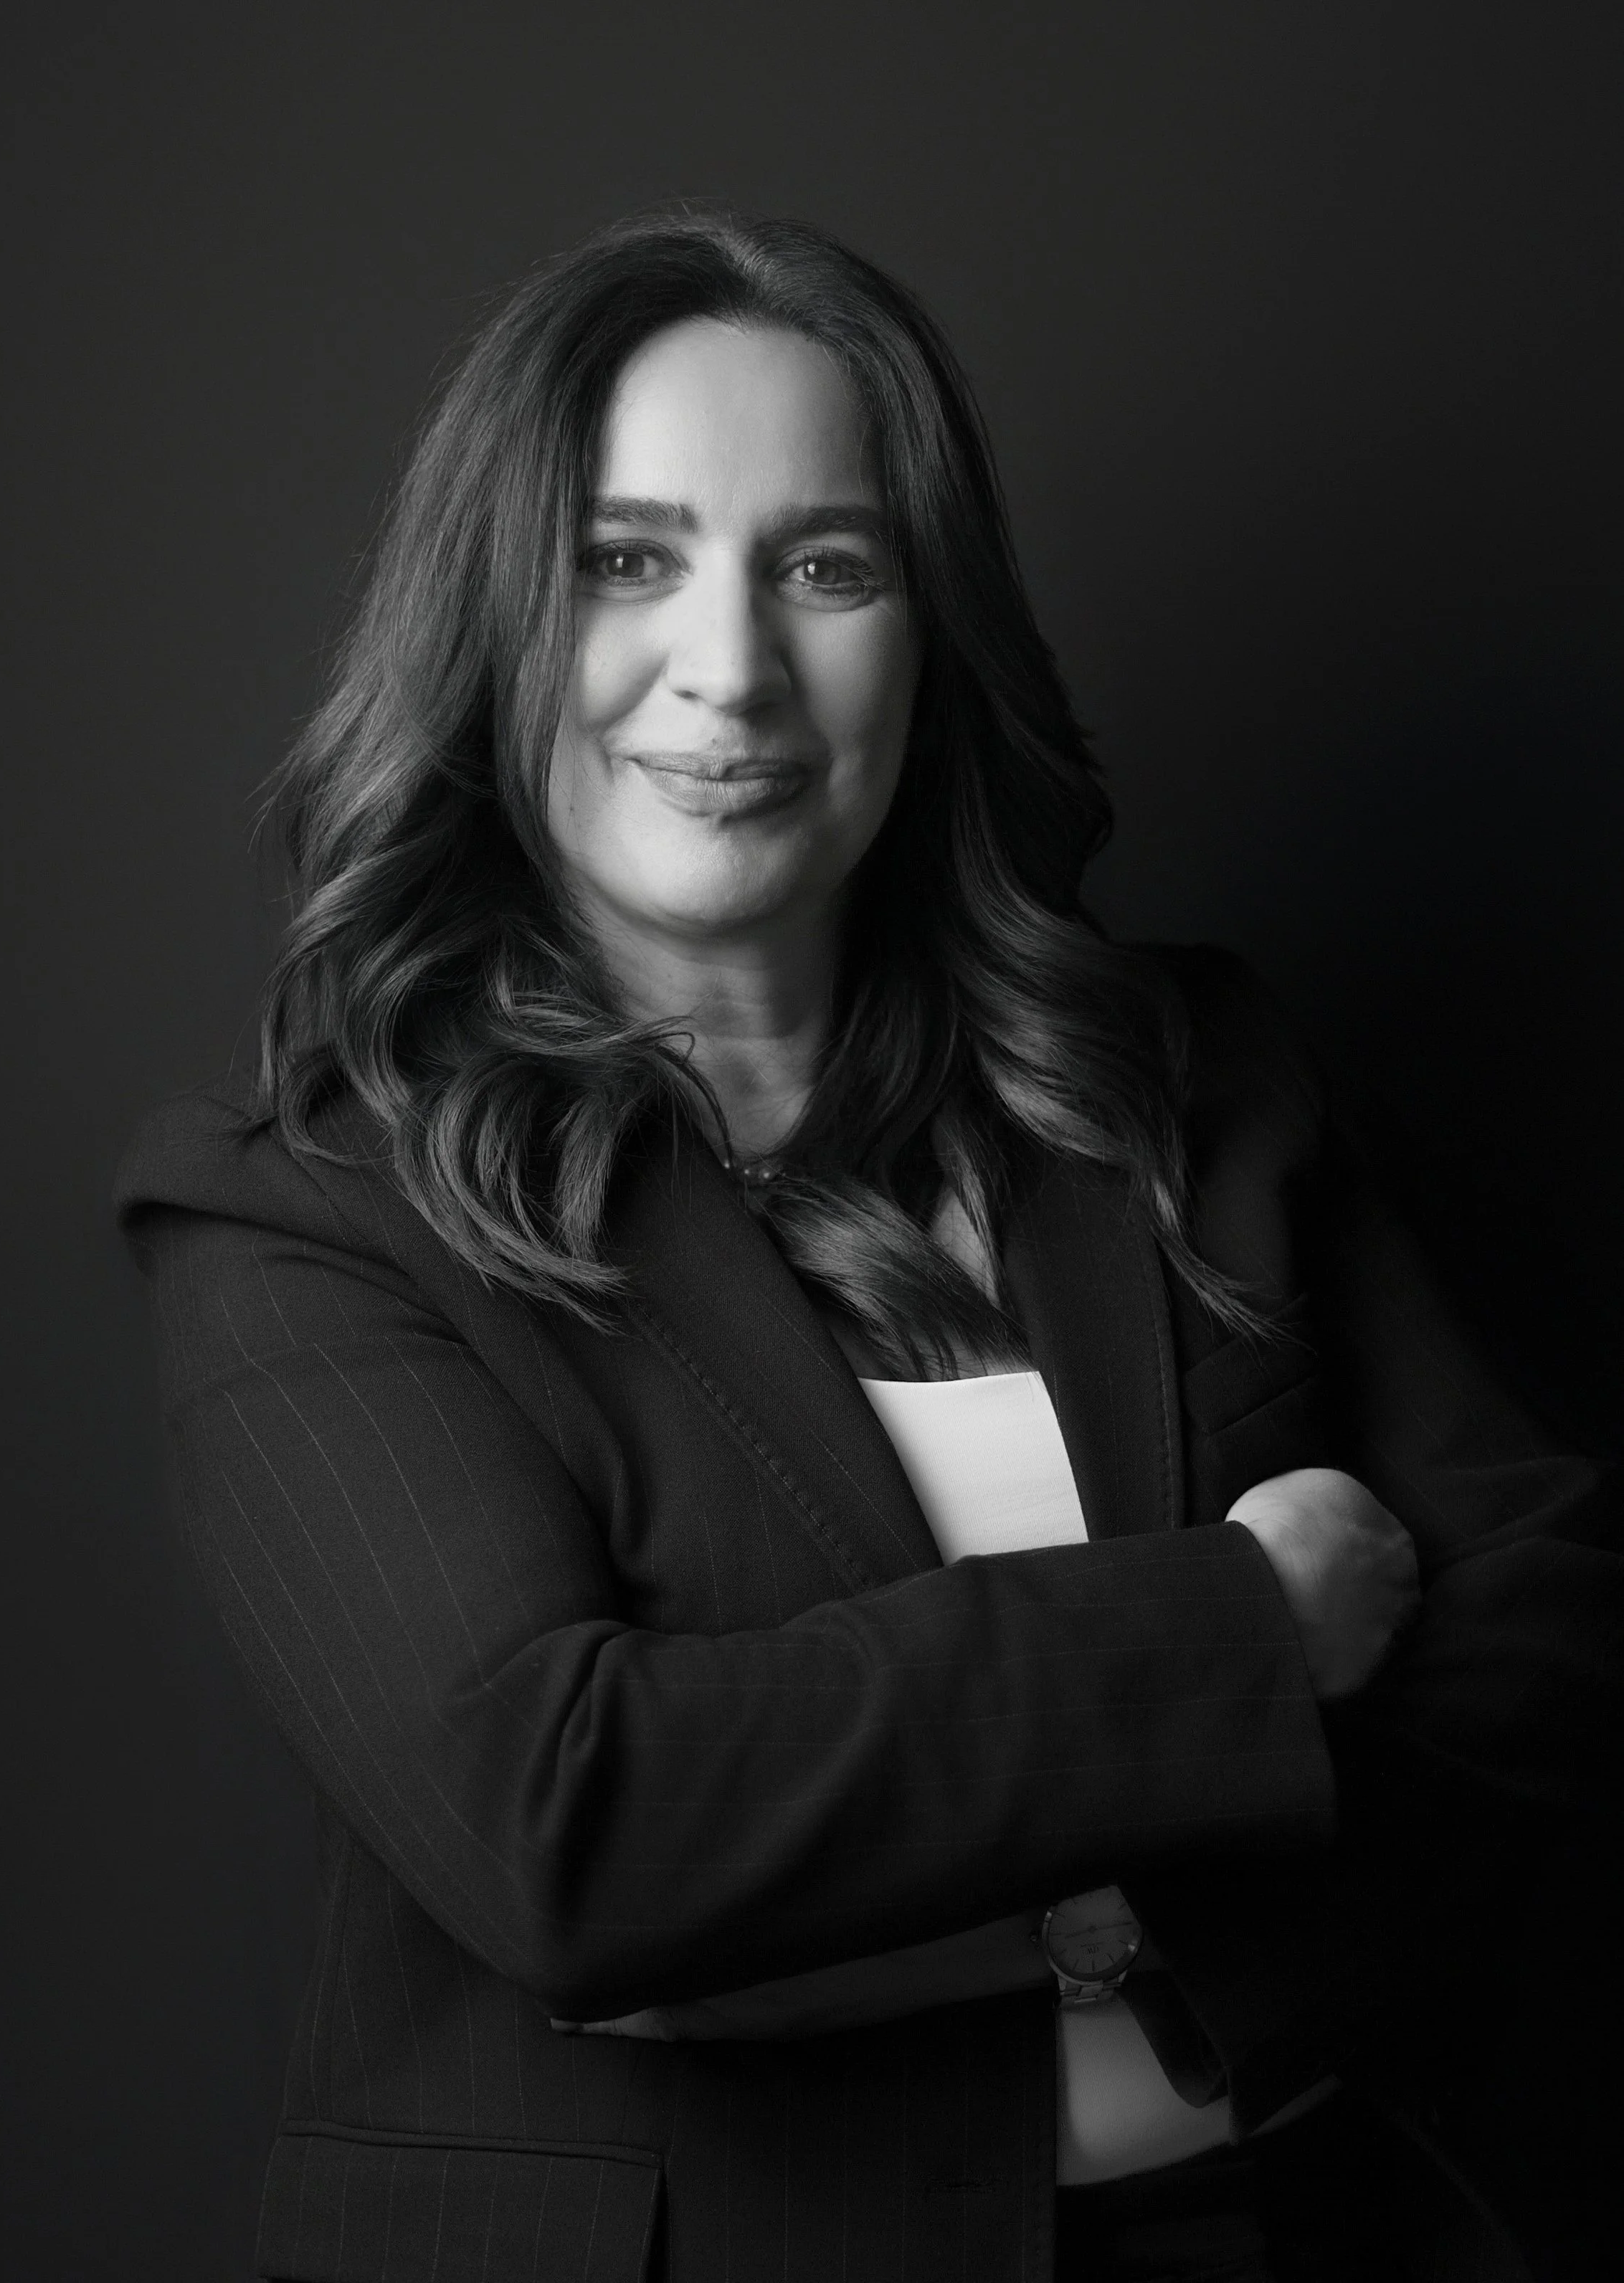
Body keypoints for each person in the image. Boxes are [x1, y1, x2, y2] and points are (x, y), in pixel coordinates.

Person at [117, 208, 1619, 2282]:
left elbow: (1543, 1612)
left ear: (929, 632)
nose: (729, 669)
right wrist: (1246, 1637)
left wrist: (1057, 1929)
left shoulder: (1185, 1075)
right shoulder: (302, 1204)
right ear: (489, 620)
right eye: (621, 560)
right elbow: (581, 1832)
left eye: (828, 568)